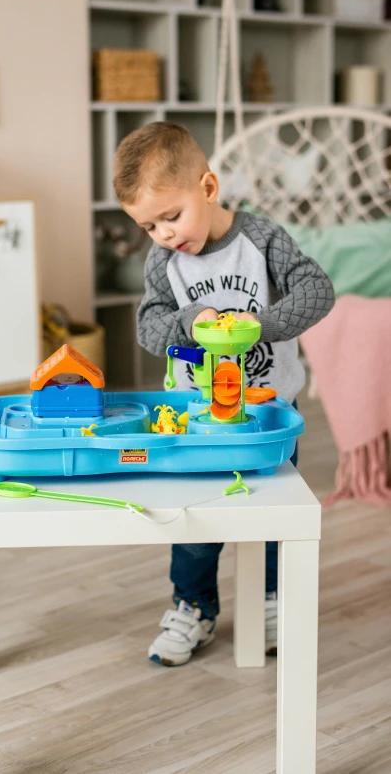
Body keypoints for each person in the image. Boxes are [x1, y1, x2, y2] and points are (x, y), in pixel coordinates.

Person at [113, 121, 334, 666]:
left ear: (207, 189)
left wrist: (258, 325)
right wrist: (191, 321)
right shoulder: (165, 263)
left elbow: (317, 290)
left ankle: (271, 601)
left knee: (273, 512)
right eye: (149, 226)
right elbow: (148, 328)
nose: (164, 234)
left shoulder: (262, 240)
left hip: (268, 414)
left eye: (171, 216)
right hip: (195, 417)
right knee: (195, 519)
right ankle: (193, 607)